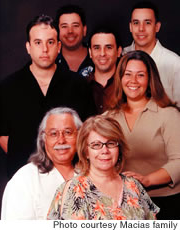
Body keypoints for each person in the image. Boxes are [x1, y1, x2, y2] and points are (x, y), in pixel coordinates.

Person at [0, 14, 96, 178]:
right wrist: (32, 166)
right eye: (38, 43)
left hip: (70, 175)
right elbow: (2, 135)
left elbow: (88, 131)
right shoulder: (8, 87)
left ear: (58, 47)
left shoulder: (78, 84)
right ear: (28, 47)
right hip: (24, 174)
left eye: (50, 42)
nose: (44, 49)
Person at [105, 50, 180, 219]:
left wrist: (147, 180)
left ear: (150, 79)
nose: (133, 81)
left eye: (140, 75)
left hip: (165, 203)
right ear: (120, 78)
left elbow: (179, 161)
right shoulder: (108, 118)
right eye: (128, 74)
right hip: (121, 203)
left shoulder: (168, 114)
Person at [47, 115, 159, 220]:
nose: (104, 151)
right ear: (86, 152)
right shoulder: (75, 189)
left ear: (119, 148)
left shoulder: (133, 185)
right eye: (96, 145)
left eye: (110, 143)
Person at [1, 107, 82, 219]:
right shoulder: (24, 180)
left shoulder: (94, 174)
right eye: (53, 134)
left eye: (68, 132)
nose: (61, 140)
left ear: (79, 136)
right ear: (44, 139)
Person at [123, 1, 180, 107]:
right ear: (130, 27)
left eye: (147, 23)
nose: (141, 29)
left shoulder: (174, 63)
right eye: (136, 23)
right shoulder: (121, 56)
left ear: (157, 27)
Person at [87, 27, 122, 114]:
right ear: (90, 52)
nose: (102, 53)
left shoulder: (128, 86)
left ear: (118, 51)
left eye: (108, 47)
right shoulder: (80, 86)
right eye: (97, 48)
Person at [55, 4, 94, 77]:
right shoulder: (51, 59)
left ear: (84, 30)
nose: (70, 31)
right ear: (57, 31)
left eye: (75, 25)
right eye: (64, 26)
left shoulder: (98, 56)